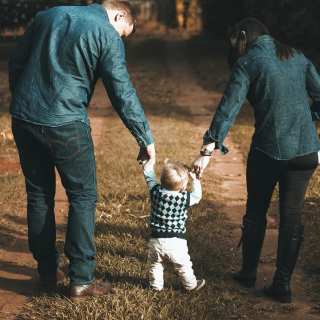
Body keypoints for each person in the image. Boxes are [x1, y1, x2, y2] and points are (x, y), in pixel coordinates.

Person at [9, 0, 156, 297]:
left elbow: (16, 63)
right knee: (83, 197)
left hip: (23, 119)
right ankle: (82, 279)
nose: (120, 39)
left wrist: (25, 103)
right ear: (118, 15)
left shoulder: (48, 15)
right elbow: (121, 91)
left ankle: (48, 273)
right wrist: (144, 137)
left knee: (39, 195)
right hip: (66, 124)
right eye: (123, 33)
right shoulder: (106, 33)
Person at [191, 18, 320, 303]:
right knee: (292, 215)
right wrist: (309, 120)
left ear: (245, 35)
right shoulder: (296, 55)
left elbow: (228, 109)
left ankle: (248, 272)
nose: (234, 47)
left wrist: (206, 151)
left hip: (269, 151)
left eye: (235, 40)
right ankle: (282, 284)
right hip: (307, 152)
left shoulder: (248, 62)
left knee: (256, 210)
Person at [141, 160, 205, 291]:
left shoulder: (155, 192)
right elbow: (197, 196)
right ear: (182, 188)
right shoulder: (184, 198)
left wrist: (146, 163)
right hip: (176, 242)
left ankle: (155, 286)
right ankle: (191, 285)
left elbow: (149, 178)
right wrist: (195, 181)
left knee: (155, 264)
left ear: (162, 181)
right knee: (183, 265)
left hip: (156, 240)